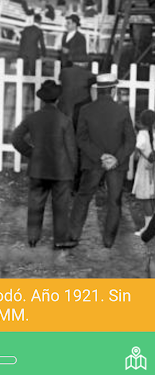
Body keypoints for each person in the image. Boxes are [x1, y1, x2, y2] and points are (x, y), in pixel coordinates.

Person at [69, 74, 136, 248]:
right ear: (113, 90)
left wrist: (100, 156)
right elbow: (130, 140)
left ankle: (74, 235)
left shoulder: (85, 110)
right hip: (116, 164)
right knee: (114, 201)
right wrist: (115, 158)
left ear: (98, 90)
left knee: (83, 197)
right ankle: (108, 240)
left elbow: (81, 139)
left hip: (93, 162)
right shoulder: (122, 111)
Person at [11, 80, 78, 248]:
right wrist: (74, 171)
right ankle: (60, 240)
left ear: (41, 99)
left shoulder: (32, 118)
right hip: (61, 171)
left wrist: (31, 153)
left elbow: (16, 138)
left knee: (35, 203)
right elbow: (71, 149)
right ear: (57, 99)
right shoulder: (65, 120)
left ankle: (33, 238)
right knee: (61, 206)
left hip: (38, 168)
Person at [132, 110, 155, 235]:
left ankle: (148, 228)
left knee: (146, 199)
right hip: (153, 168)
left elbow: (136, 154)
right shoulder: (153, 133)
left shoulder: (142, 134)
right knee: (151, 198)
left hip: (145, 168)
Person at [58, 60, 97, 130]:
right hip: (79, 114)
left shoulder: (64, 72)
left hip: (64, 111)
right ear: (85, 63)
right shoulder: (89, 75)